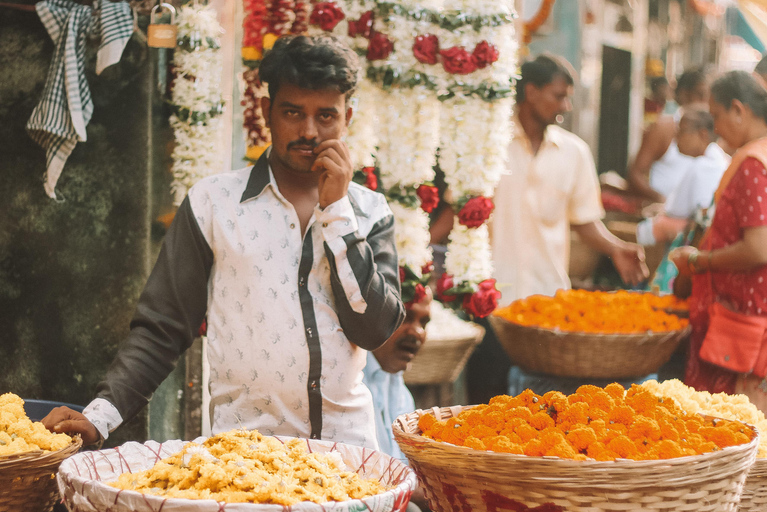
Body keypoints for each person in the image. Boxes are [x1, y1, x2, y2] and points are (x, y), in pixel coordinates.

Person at [41, 35, 405, 449]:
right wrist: (99, 418)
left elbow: (375, 329)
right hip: (242, 458)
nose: (309, 131)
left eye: (326, 116)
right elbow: (163, 328)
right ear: (267, 111)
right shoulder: (213, 204)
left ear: (347, 117)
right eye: (292, 112)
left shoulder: (370, 212)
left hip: (349, 455)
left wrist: (337, 212)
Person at [467, 54, 649, 404]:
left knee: (540, 407)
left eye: (568, 97)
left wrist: (615, 248)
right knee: (483, 401)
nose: (565, 105)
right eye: (558, 95)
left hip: (547, 304)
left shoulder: (574, 153)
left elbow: (584, 222)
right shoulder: (490, 145)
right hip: (488, 300)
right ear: (530, 92)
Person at [670, 71, 767, 406]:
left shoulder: (754, 162)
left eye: (717, 116)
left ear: (739, 110)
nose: (716, 129)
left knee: (730, 429)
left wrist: (699, 260)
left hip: (741, 325)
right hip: (748, 321)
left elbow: (759, 247)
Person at [363, 287, 432, 512]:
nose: (418, 332)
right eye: (406, 318)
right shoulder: (353, 386)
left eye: (424, 323)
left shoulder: (399, 389)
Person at [637, 108, 730, 250]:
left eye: (682, 131)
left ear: (703, 135)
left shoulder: (707, 166)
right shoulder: (709, 159)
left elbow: (701, 219)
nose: (676, 138)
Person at [627, 68, 709, 203]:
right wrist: (661, 200)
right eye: (700, 95)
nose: (704, 102)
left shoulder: (711, 131)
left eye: (707, 97)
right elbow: (635, 174)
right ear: (684, 95)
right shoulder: (663, 127)